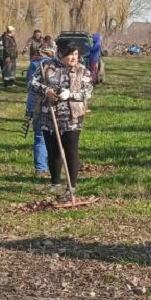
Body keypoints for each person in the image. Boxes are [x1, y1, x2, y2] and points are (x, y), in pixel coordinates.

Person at [29, 40, 93, 197]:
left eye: (76, 54)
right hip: (48, 114)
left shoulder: (82, 70)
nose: (74, 58)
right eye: (70, 54)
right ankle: (55, 183)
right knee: (53, 150)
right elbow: (32, 83)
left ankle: (71, 188)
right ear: (61, 54)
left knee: (71, 150)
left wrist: (70, 94)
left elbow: (88, 92)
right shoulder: (46, 67)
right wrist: (46, 91)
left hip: (73, 117)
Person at [25, 42, 56, 177]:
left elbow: (29, 84)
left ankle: (40, 168)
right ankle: (51, 165)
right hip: (45, 105)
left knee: (39, 137)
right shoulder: (52, 65)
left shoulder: (33, 64)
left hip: (33, 105)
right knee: (51, 136)